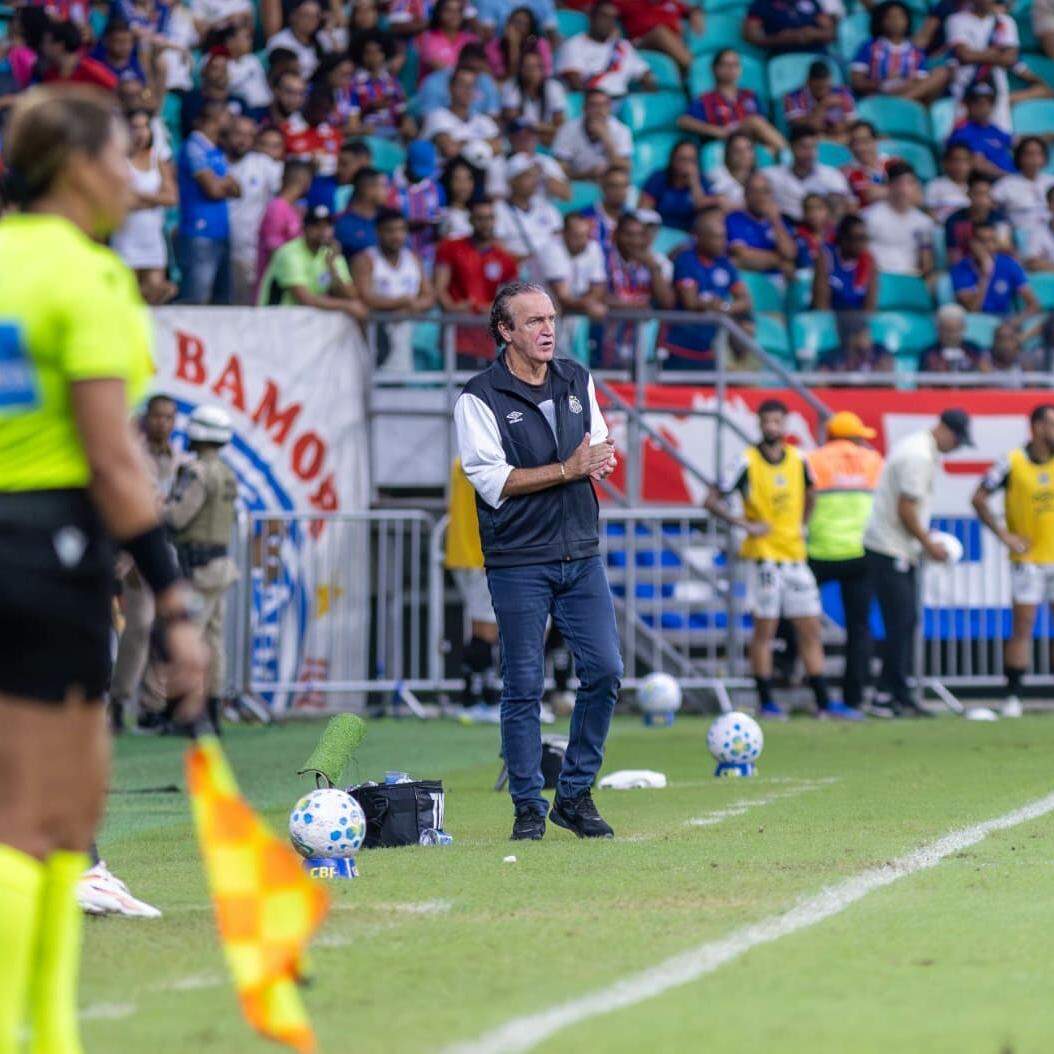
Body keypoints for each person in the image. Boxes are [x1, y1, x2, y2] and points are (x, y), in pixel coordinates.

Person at [0, 85, 205, 1054]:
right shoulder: (87, 278)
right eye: (125, 156)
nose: (137, 177)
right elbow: (114, 459)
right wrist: (173, 595)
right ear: (78, 166)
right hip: (49, 549)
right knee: (51, 817)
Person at [453, 281, 620, 840]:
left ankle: (573, 794)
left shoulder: (577, 378)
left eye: (550, 318)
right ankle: (527, 805)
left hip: (581, 552)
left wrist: (599, 460)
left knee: (606, 671)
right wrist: (569, 469)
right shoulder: (478, 397)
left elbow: (598, 443)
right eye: (533, 321)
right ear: (505, 331)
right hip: (519, 558)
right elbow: (493, 480)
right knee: (523, 685)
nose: (548, 330)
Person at [705, 401, 848, 720]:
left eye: (777, 421)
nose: (772, 427)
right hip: (764, 558)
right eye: (767, 421)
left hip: (795, 555)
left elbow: (812, 493)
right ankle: (767, 700)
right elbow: (711, 500)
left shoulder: (799, 459)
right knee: (765, 631)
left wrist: (802, 524)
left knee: (810, 628)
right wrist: (744, 524)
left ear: (785, 424)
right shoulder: (746, 461)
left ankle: (823, 700)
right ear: (759, 424)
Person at [862, 409, 973, 718]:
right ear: (945, 430)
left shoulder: (918, 448)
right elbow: (906, 508)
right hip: (890, 548)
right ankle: (888, 695)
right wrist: (928, 543)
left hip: (895, 547)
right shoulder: (919, 455)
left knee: (904, 622)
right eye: (958, 440)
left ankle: (897, 693)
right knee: (901, 622)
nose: (956, 448)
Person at [110, 393, 189, 733]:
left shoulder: (180, 460)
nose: (163, 423)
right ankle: (117, 702)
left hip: (168, 553)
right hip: (137, 554)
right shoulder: (134, 454)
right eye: (158, 416)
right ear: (147, 418)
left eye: (169, 417)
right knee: (139, 625)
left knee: (167, 629)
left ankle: (151, 707)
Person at [972, 405, 1054, 717]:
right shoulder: (1012, 462)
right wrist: (1004, 535)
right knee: (1023, 626)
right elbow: (979, 498)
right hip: (1028, 559)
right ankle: (1013, 696)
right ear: (1037, 427)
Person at [165, 406, 239, 736]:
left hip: (198, 570)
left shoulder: (197, 472)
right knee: (213, 641)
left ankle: (189, 715)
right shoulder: (226, 472)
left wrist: (154, 508)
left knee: (189, 639)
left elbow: (178, 517)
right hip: (220, 566)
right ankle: (212, 713)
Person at [806, 411, 885, 715]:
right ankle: (854, 697)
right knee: (859, 629)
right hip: (859, 553)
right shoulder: (873, 461)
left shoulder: (812, 460)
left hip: (818, 551)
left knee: (798, 619)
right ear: (853, 436)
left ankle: (790, 670)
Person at [445, 458, 502, 723]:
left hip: (468, 554)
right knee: (486, 630)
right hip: (478, 555)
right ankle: (477, 699)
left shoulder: (463, 461)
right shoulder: (482, 460)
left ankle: (476, 696)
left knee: (483, 628)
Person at [665, 206, 753, 371]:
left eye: (724, 237)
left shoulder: (725, 263)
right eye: (716, 237)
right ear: (700, 238)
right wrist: (713, 305)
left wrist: (724, 307)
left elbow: (745, 300)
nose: (722, 242)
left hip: (708, 349)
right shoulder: (686, 260)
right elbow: (690, 302)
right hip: (680, 346)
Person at [435, 197, 519, 367]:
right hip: (456, 336)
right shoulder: (450, 248)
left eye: (489, 218)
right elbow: (439, 287)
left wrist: (494, 308)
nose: (485, 223)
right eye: (480, 218)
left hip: (487, 341)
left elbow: (513, 299)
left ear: (494, 221)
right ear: (471, 220)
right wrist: (452, 307)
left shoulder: (505, 258)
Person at [352, 209, 435, 371]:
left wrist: (411, 308)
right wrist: (401, 302)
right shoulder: (366, 259)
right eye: (390, 231)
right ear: (378, 232)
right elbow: (365, 296)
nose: (397, 236)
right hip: (377, 336)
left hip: (409, 334)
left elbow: (429, 296)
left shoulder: (413, 259)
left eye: (401, 230)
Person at [111, 108, 179, 305]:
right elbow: (120, 200)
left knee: (157, 292)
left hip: (152, 238)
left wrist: (140, 196)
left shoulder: (157, 159)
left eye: (144, 127)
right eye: (135, 127)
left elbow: (171, 197)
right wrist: (154, 199)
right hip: (126, 238)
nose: (140, 132)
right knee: (127, 295)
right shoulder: (119, 160)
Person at [176, 99, 240, 303]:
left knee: (221, 301)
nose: (231, 120)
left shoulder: (214, 149)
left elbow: (238, 189)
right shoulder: (194, 147)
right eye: (227, 115)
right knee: (197, 299)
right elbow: (212, 190)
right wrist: (223, 184)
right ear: (214, 118)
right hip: (199, 233)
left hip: (220, 232)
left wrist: (223, 184)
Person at [258, 203, 367, 314]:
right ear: (304, 228)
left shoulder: (330, 253)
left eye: (328, 225)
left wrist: (333, 269)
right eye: (316, 225)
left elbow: (351, 295)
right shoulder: (289, 253)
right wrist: (346, 306)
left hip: (307, 319)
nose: (323, 231)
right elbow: (306, 299)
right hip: (275, 317)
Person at [599, 211, 676, 367]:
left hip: (642, 347)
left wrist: (653, 268)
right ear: (616, 235)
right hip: (605, 342)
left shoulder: (656, 262)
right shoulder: (602, 258)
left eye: (639, 235)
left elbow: (667, 302)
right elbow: (598, 297)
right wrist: (633, 306)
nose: (634, 241)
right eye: (629, 235)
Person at [677, 48, 786, 153]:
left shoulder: (750, 96)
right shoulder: (706, 100)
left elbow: (764, 125)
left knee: (769, 149)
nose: (731, 69)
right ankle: (787, 152)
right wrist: (716, 130)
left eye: (735, 65)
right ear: (715, 69)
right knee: (754, 122)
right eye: (725, 64)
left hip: (750, 142)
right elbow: (683, 121)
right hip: (725, 142)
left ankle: (783, 154)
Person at [225, 113, 283, 304]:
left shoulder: (262, 164)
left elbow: (289, 186)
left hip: (250, 253)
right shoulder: (214, 161)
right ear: (227, 134)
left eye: (249, 135)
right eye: (238, 134)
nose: (243, 140)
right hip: (218, 248)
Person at [850, 0, 950, 103]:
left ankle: (901, 101)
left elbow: (921, 81)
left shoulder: (916, 52)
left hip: (908, 94)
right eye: (889, 17)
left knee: (941, 73)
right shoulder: (869, 47)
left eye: (899, 17)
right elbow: (857, 81)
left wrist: (905, 83)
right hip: (878, 96)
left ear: (907, 20)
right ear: (880, 21)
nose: (895, 21)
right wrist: (881, 84)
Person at [555, 0, 653, 98]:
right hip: (593, 102)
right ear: (592, 17)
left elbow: (645, 74)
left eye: (612, 18)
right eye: (604, 16)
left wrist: (648, 93)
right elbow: (575, 85)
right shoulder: (573, 45)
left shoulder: (622, 46)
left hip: (622, 100)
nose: (609, 22)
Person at [946, 0, 1019, 132]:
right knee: (962, 134)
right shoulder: (956, 20)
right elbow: (964, 56)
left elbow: (1010, 59)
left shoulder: (1005, 22)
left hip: (997, 89)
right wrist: (996, 53)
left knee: (1000, 134)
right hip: (965, 88)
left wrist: (977, 54)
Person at [544, 211, 608, 359]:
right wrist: (589, 305)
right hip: (540, 318)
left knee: (570, 364)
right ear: (564, 234)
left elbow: (599, 288)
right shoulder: (550, 249)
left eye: (585, 235)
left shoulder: (593, 248)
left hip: (570, 317)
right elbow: (563, 297)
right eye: (576, 236)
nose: (582, 241)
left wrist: (588, 303)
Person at [951, 220, 1039, 318]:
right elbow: (973, 309)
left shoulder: (1009, 264)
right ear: (972, 243)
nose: (989, 246)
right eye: (983, 241)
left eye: (992, 240)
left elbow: (1034, 305)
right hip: (976, 320)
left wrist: (1014, 322)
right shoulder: (961, 269)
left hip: (1003, 319)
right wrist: (986, 275)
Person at [862, 160, 934, 278]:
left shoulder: (924, 222)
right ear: (889, 185)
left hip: (910, 278)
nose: (904, 189)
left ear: (916, 186)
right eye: (899, 183)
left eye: (910, 183)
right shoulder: (870, 216)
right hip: (879, 277)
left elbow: (926, 262)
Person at [766, 126, 851, 223]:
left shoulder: (831, 175)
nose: (809, 153)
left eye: (813, 147)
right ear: (791, 147)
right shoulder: (772, 176)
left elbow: (844, 207)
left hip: (821, 228)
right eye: (804, 147)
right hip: (785, 226)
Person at [493, 155, 563, 272]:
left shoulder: (546, 206)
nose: (534, 181)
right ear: (512, 181)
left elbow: (559, 237)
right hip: (517, 272)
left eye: (534, 176)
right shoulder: (499, 209)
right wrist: (531, 261)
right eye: (527, 176)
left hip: (550, 270)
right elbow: (497, 247)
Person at [726, 171, 798, 283]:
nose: (760, 197)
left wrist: (775, 220)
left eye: (765, 191)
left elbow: (789, 254)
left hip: (779, 282)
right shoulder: (734, 219)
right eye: (754, 191)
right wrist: (780, 262)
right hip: (750, 281)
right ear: (745, 195)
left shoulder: (780, 220)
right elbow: (741, 255)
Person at [639, 139, 721, 234]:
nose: (686, 164)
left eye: (691, 160)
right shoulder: (659, 178)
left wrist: (694, 182)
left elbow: (702, 207)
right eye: (682, 159)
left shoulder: (703, 182)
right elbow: (644, 209)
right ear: (673, 159)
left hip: (690, 235)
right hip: (658, 231)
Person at [421, 67, 503, 163]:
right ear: (451, 87)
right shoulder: (437, 116)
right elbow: (450, 149)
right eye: (462, 85)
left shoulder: (483, 120)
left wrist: (463, 143)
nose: (467, 90)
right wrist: (482, 143)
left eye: (471, 86)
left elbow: (498, 147)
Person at [551, 87, 632, 182]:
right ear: (584, 108)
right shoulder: (567, 129)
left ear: (609, 108)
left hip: (610, 184)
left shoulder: (621, 130)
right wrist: (587, 175)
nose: (599, 110)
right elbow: (559, 170)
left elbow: (625, 168)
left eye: (604, 105)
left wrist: (606, 138)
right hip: (578, 182)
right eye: (594, 105)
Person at [255, 158, 311, 287]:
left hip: (289, 279)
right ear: (304, 180)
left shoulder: (293, 208)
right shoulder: (277, 208)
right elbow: (273, 249)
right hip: (276, 282)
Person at [499, 46, 567, 145]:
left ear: (542, 69)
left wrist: (537, 127)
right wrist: (542, 127)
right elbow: (512, 120)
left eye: (536, 67)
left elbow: (560, 125)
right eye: (527, 67)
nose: (532, 71)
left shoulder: (554, 87)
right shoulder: (512, 85)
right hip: (520, 137)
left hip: (547, 138)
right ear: (521, 69)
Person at [947, 81, 1015, 178]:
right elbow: (978, 165)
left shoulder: (994, 129)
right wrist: (1010, 178)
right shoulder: (962, 132)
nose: (984, 107)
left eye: (988, 102)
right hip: (988, 182)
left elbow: (1016, 141)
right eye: (978, 103)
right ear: (968, 105)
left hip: (1013, 180)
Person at [813, 214, 878, 312]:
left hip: (856, 318)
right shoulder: (826, 256)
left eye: (864, 238)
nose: (861, 244)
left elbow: (870, 308)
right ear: (843, 238)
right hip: (830, 316)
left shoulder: (869, 262)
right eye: (857, 238)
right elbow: (820, 304)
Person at [944, 171, 1011, 265]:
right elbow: (953, 255)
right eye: (977, 194)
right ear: (968, 194)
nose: (982, 199)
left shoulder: (1000, 219)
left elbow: (1005, 248)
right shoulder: (954, 220)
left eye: (986, 194)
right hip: (966, 267)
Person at [783, 61, 857, 144]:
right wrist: (823, 105)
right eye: (818, 87)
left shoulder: (843, 93)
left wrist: (838, 128)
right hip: (810, 140)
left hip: (839, 137)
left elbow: (852, 123)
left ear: (830, 80)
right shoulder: (793, 97)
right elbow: (803, 129)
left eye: (826, 86)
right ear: (808, 81)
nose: (823, 91)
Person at [993, 137, 1054, 230]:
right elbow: (992, 210)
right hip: (1018, 234)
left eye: (1038, 153)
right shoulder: (1005, 184)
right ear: (1019, 157)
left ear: (1044, 157)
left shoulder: (1051, 181)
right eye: (1029, 154)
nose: (1034, 158)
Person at [335, 166, 389, 260]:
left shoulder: (389, 218)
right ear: (367, 189)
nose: (387, 191)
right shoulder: (342, 223)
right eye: (384, 186)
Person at [418, 0, 480, 81]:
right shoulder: (429, 38)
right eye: (448, 10)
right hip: (438, 85)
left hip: (466, 85)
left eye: (458, 11)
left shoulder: (470, 39)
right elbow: (438, 66)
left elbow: (479, 66)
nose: (454, 15)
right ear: (439, 13)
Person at [485, 6, 553, 80]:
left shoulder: (539, 44)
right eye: (515, 22)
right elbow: (504, 76)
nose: (518, 27)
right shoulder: (495, 45)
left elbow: (546, 73)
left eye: (524, 24)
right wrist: (513, 46)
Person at [918, 302, 988, 372]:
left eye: (955, 330)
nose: (951, 336)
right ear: (938, 329)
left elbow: (987, 374)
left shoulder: (975, 351)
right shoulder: (929, 354)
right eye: (947, 330)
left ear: (963, 327)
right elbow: (923, 378)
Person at [743, 0, 835, 53]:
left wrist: (813, 33)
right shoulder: (762, 4)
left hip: (817, 54)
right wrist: (779, 39)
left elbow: (831, 33)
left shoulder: (811, 2)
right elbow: (751, 36)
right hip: (783, 57)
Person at [579, 164, 630, 255]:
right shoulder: (584, 217)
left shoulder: (632, 219)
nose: (619, 191)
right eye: (613, 186)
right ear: (603, 187)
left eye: (623, 186)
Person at [842, 120, 893, 208]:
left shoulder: (894, 163)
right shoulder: (845, 173)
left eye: (865, 141)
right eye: (854, 143)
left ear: (876, 140)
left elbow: (915, 195)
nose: (860, 148)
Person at [706, 130, 758, 211]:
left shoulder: (762, 179)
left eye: (748, 149)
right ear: (728, 154)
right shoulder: (715, 176)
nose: (744, 154)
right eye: (737, 150)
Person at [924, 141, 972, 223]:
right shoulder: (935, 186)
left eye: (964, 160)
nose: (960, 165)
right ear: (945, 163)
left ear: (971, 163)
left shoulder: (977, 186)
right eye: (955, 160)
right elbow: (928, 212)